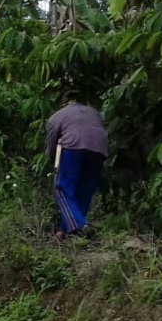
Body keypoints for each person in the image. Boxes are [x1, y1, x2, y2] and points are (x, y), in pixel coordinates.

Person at [45, 92, 108, 238]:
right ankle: (67, 229)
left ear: (65, 102)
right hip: (99, 149)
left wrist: (51, 158)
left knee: (61, 188)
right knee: (84, 190)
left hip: (74, 146)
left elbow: (51, 140)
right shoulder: (94, 113)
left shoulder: (59, 115)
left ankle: (80, 225)